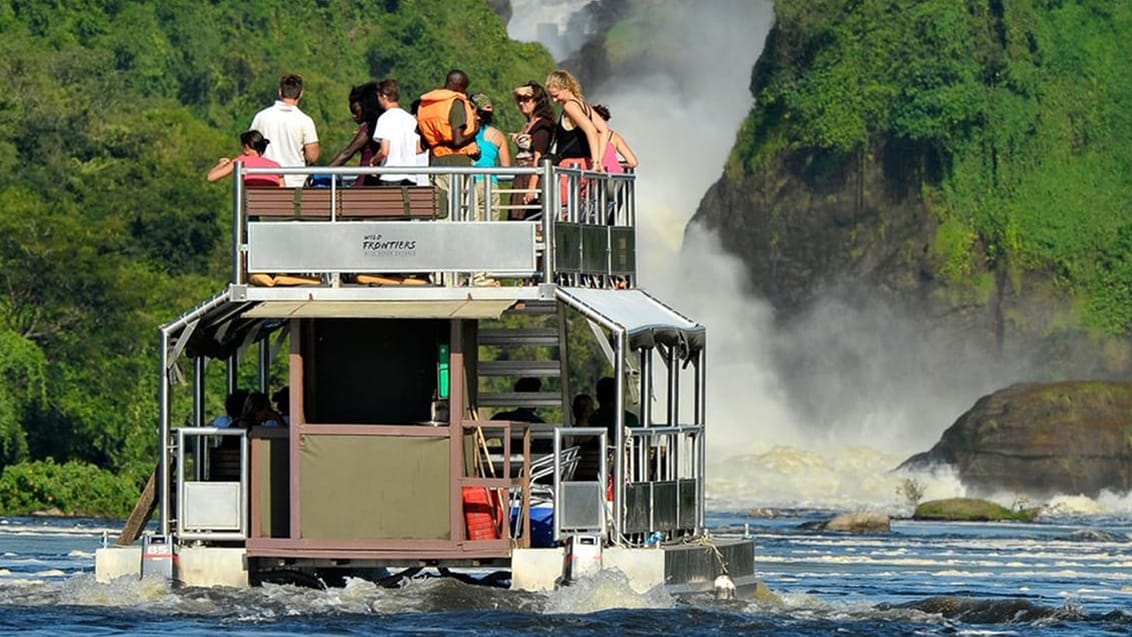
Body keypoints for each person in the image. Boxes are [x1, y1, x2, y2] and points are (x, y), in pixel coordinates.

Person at [417, 70, 479, 215]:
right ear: (457, 85)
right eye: (464, 88)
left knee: (442, 211)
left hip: (436, 162)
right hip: (457, 164)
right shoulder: (455, 103)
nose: (464, 93)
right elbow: (457, 141)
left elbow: (424, 142)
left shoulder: (425, 105)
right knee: (463, 212)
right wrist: (475, 132)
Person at [250, 73, 320, 188]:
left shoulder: (261, 117)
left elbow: (251, 147)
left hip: (265, 178)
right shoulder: (305, 120)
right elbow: (312, 155)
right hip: (295, 181)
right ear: (300, 94)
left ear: (280, 92)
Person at [508, 81, 556, 220]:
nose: (522, 103)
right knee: (517, 215)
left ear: (538, 101)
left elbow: (538, 157)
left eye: (527, 99)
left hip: (531, 176)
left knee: (527, 216)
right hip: (521, 176)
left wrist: (532, 186)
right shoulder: (528, 124)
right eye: (520, 100)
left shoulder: (542, 125)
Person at [327, 82, 382, 186]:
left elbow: (347, 153)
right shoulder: (381, 125)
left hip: (366, 182)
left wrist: (323, 172)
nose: (354, 117)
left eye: (356, 112)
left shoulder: (368, 129)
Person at [371, 79, 423, 186]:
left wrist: (374, 161)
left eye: (378, 97)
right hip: (411, 177)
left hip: (390, 176)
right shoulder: (410, 119)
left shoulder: (384, 119)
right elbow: (418, 149)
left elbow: (385, 151)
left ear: (384, 96)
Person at [470, 93, 511, 219]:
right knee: (490, 224)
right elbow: (506, 168)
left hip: (469, 182)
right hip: (489, 183)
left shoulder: (463, 133)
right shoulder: (497, 135)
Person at [206, 130, 282, 187]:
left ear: (246, 148)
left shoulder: (240, 162)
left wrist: (221, 165)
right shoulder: (276, 166)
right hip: (274, 207)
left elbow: (211, 177)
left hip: (251, 206)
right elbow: (283, 193)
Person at [590, 104, 639, 173]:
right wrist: (615, 164)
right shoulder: (614, 137)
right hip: (614, 176)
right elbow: (633, 162)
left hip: (594, 175)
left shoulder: (588, 134)